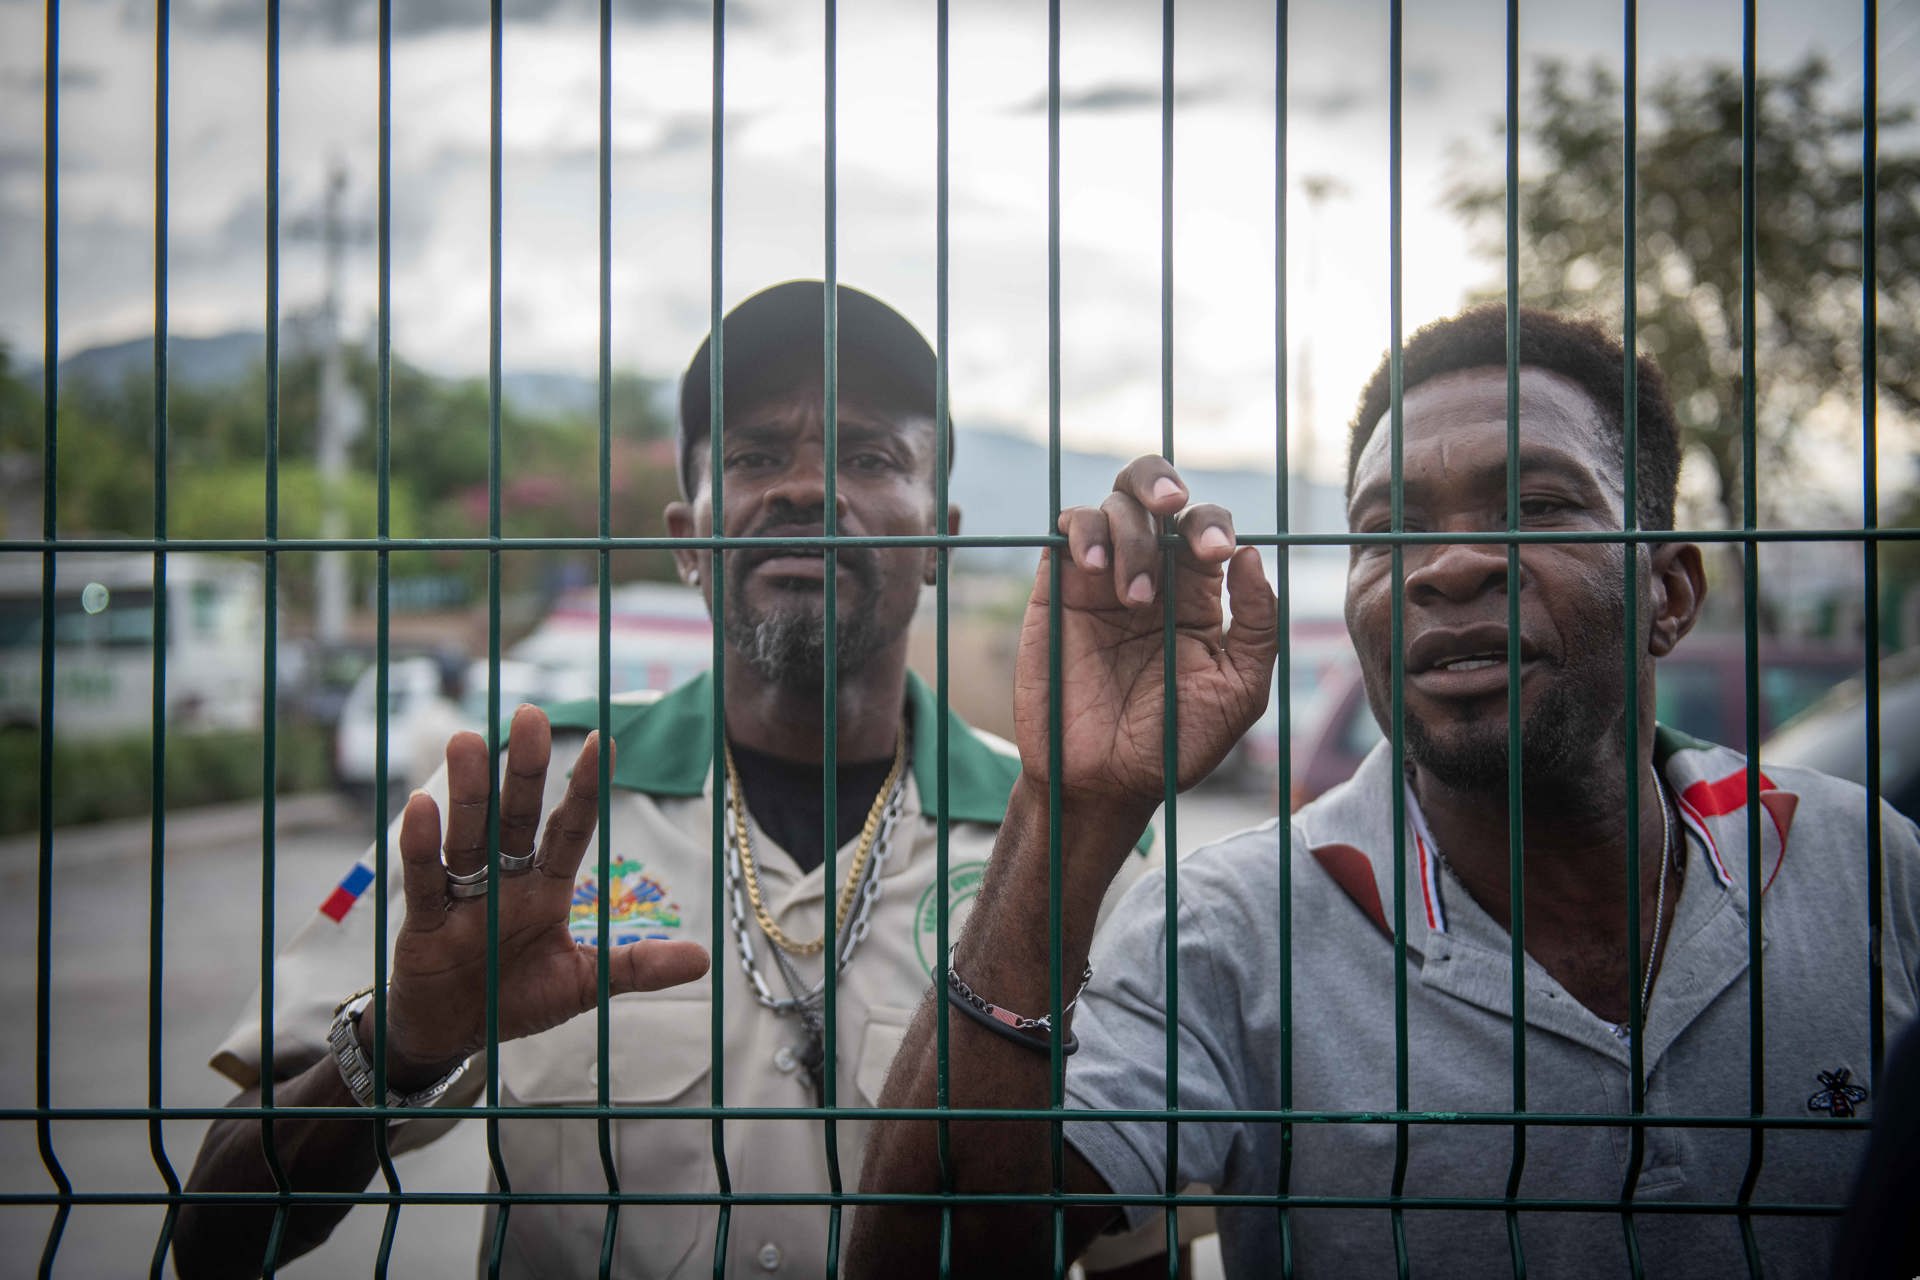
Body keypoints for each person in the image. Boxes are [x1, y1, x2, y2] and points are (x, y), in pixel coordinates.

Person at [851, 304, 1920, 1276]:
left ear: (1670, 591)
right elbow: (930, 1256)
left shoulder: (1862, 863)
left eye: (1538, 505)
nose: (1447, 564)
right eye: (1385, 527)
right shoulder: (1231, 929)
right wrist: (1072, 803)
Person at [173, 280, 1162, 1278]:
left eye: (869, 455)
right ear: (689, 536)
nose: (808, 488)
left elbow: (1138, 1251)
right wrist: (401, 1044)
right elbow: (215, 1228)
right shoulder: (512, 815)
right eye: (753, 455)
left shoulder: (1074, 843)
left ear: (942, 536)